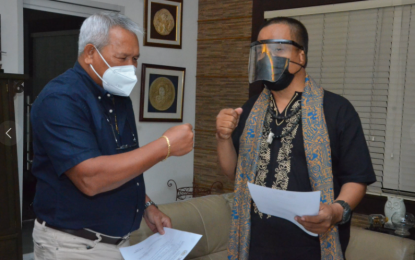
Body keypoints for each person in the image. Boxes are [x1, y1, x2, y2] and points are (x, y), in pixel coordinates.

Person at [30, 12, 193, 260]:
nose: (132, 67)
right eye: (122, 58)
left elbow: (119, 161)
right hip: (73, 245)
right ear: (89, 53)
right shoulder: (61, 99)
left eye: (135, 58)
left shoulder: (117, 98)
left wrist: (147, 206)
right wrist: (165, 146)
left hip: (118, 243)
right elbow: (91, 178)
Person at [216, 17, 376, 260]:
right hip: (254, 245)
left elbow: (357, 178)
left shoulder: (337, 110)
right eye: (262, 49)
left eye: (278, 48)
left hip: (312, 247)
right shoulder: (248, 111)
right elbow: (233, 173)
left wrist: (334, 212)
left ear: (301, 56)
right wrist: (223, 137)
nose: (267, 57)